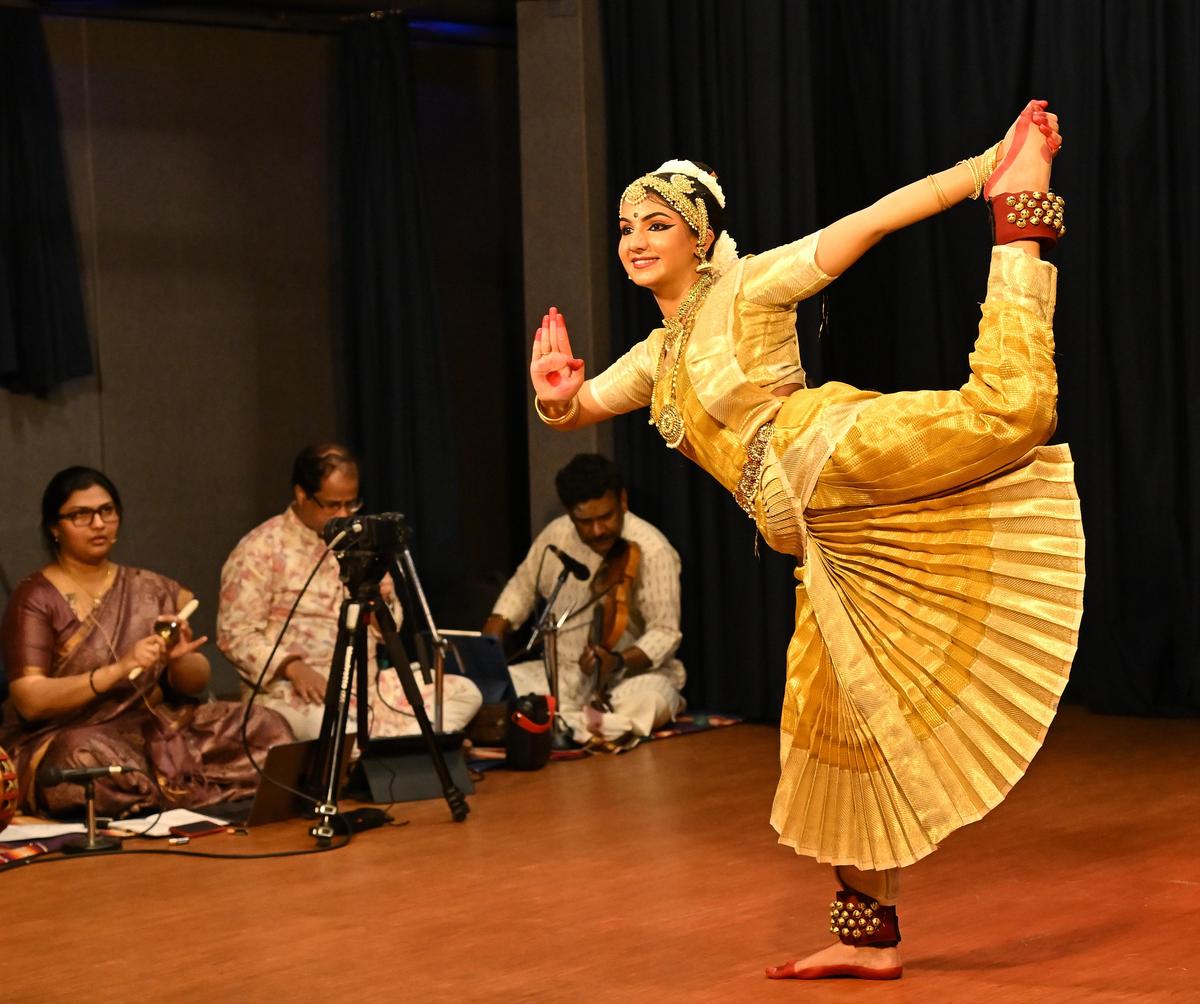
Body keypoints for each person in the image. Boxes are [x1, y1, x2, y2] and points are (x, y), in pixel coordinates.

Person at [527, 100, 1083, 980]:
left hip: (818, 451)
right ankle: (869, 938)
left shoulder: (749, 287)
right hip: (820, 534)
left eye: (658, 224)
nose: (635, 239)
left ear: (701, 239)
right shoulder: (654, 355)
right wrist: (555, 393)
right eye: (626, 226)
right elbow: (579, 410)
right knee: (834, 719)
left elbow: (865, 223)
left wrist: (984, 172)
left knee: (1013, 411)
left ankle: (1023, 219)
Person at [0, 467, 292, 818]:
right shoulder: (35, 597)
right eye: (81, 515)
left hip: (152, 728)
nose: (98, 523)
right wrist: (118, 670)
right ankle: (178, 788)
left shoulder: (148, 588)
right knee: (78, 759)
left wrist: (178, 659)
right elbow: (29, 700)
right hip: (71, 734)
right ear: (54, 527)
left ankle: (156, 792)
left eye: (106, 511)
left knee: (265, 726)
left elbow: (195, 683)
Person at [218, 443, 482, 742]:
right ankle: (413, 745)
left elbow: (390, 628)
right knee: (331, 728)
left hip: (367, 686)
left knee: (465, 693)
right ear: (301, 494)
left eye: (352, 504)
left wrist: (382, 605)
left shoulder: (362, 543)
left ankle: (391, 748)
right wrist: (291, 667)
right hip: (296, 691)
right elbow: (235, 634)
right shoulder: (259, 549)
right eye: (333, 505)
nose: (344, 515)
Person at [484, 453, 685, 746]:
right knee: (491, 689)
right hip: (562, 676)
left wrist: (616, 661)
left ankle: (558, 724)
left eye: (606, 517)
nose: (597, 530)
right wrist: (494, 629)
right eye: (585, 521)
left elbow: (665, 633)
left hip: (627, 681)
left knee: (650, 700)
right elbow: (522, 586)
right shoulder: (557, 535)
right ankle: (576, 724)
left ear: (623, 502)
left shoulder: (653, 550)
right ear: (569, 512)